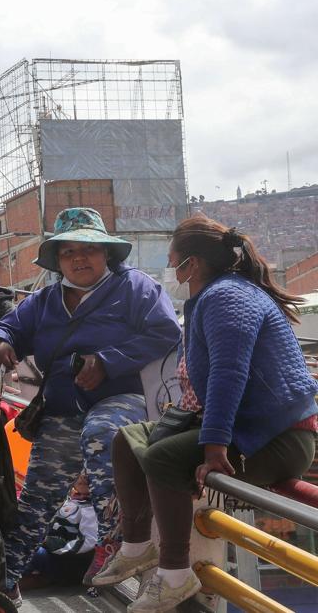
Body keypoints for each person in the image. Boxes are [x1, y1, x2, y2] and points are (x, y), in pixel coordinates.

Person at [91, 216, 318, 613]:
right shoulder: (211, 297)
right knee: (128, 440)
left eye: (172, 259)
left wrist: (213, 447)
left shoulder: (227, 298)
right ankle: (135, 546)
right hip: (246, 430)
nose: (170, 268)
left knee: (162, 459)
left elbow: (230, 373)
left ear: (191, 264)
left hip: (276, 438)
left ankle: (176, 575)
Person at [0, 207, 182, 603]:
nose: (78, 258)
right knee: (37, 498)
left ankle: (123, 539)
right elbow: (5, 326)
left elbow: (166, 332)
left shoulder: (136, 288)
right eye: (68, 251)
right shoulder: (44, 301)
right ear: (57, 261)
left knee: (101, 432)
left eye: (88, 249)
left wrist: (107, 361)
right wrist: (0, 342)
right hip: (62, 411)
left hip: (123, 400)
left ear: (106, 253)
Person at [22, 473, 98, 591]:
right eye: (81, 474)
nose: (83, 477)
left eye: (87, 478)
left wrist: (56, 547)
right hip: (51, 552)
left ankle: (39, 578)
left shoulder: (90, 510)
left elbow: (90, 542)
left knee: (33, 553)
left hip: (66, 561)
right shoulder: (66, 500)